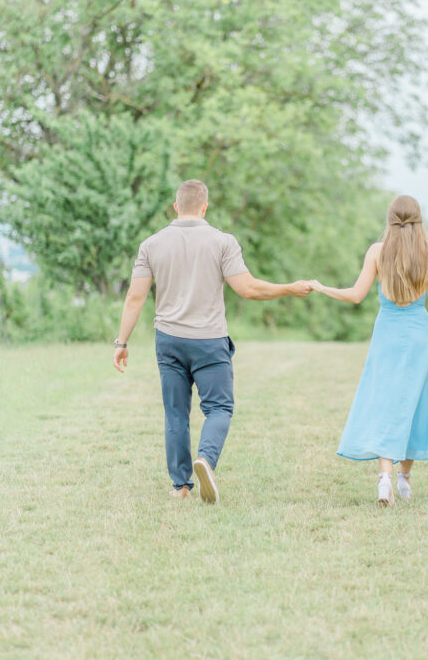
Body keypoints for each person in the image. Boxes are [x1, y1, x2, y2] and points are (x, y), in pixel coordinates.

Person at [113, 179, 311, 504]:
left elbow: (135, 297)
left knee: (175, 413)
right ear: (205, 207)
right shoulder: (223, 242)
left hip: (168, 340)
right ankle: (205, 458)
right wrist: (290, 287)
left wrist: (121, 342)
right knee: (219, 407)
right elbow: (247, 289)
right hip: (208, 340)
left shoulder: (152, 244)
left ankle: (180, 487)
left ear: (175, 207)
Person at [310, 195, 428, 507]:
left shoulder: (378, 252)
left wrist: (322, 287)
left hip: (388, 337)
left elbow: (355, 295)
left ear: (390, 219)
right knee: (413, 405)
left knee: (385, 403)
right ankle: (404, 479)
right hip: (420, 338)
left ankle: (385, 480)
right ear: (419, 220)